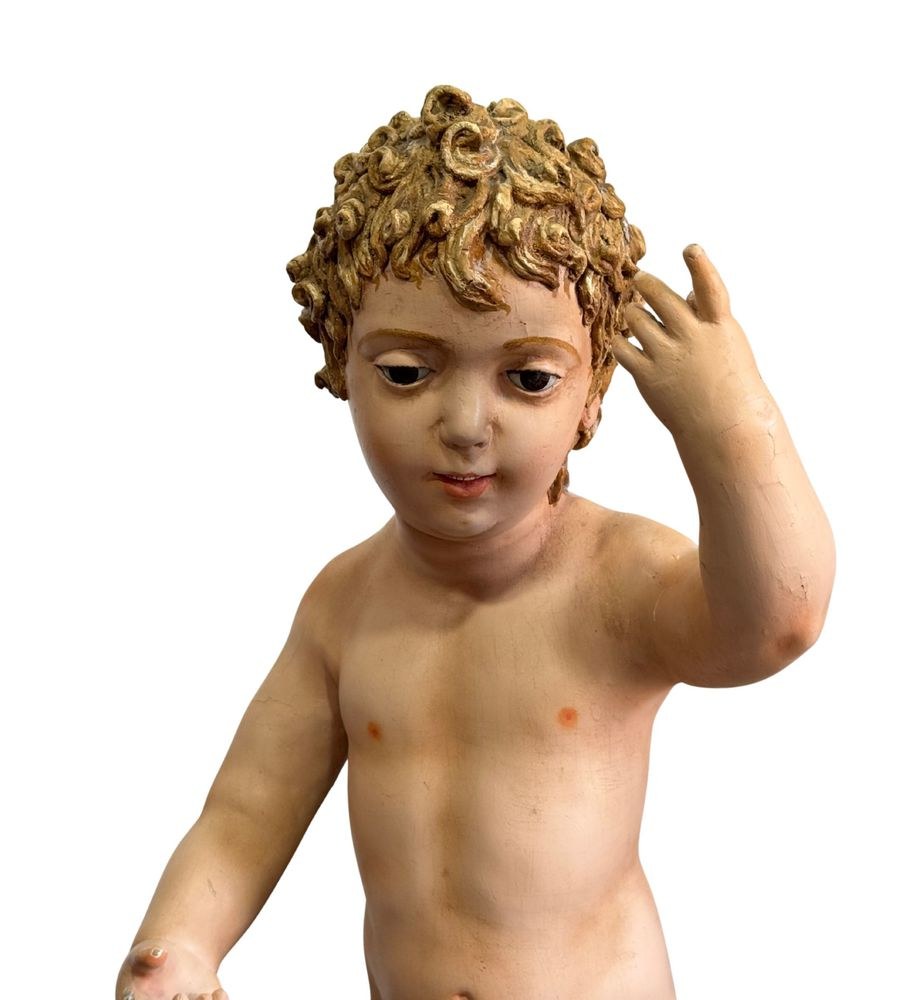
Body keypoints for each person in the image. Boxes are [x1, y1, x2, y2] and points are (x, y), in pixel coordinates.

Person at [115, 84, 836, 1000]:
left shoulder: (615, 581)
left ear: (593, 393)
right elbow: (246, 812)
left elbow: (778, 621)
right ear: (341, 363)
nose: (463, 425)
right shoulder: (344, 606)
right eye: (406, 371)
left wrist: (730, 422)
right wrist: (179, 943)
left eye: (528, 379)